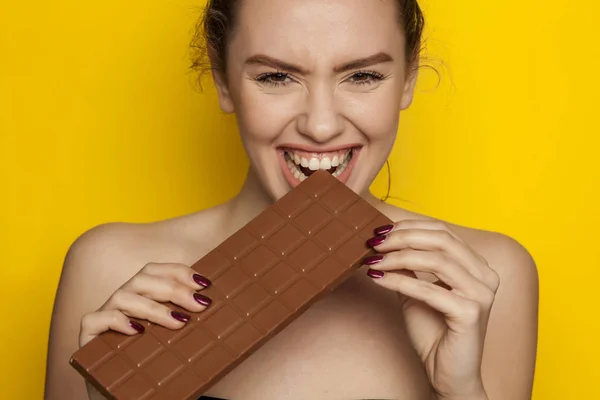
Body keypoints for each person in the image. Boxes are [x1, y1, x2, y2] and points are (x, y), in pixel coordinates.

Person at [44, 0, 539, 399]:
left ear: (408, 77)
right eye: (276, 77)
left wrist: (462, 392)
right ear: (222, 78)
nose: (320, 125)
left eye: (363, 76)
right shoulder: (110, 272)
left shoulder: (483, 280)